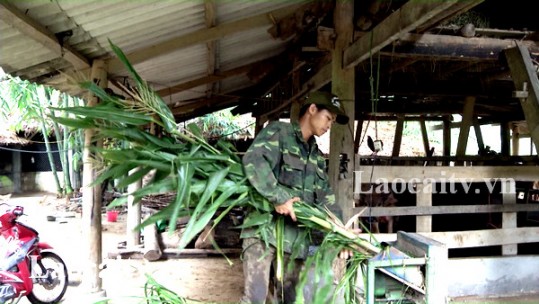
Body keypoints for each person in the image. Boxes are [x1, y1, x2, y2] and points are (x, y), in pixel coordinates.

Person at [240, 91, 353, 304]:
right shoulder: (279, 132)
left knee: (293, 299)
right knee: (255, 297)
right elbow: (254, 160)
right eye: (328, 118)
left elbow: (326, 198)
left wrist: (341, 229)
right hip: (263, 232)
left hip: (295, 240)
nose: (330, 125)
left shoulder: (317, 157)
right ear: (312, 110)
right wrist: (278, 196)